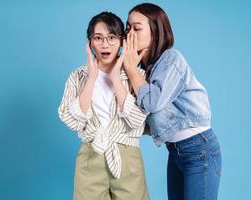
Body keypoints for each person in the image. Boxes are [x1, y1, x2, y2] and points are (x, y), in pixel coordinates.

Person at [122, 3, 222, 200]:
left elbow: (151, 102)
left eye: (137, 27)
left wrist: (131, 69)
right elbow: (138, 116)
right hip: (176, 152)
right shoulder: (143, 70)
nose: (130, 34)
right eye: (128, 27)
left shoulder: (170, 59)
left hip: (198, 150)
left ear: (155, 30)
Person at [58, 11, 150, 200]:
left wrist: (116, 77)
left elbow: (137, 120)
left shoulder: (135, 74)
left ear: (122, 41)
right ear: (90, 42)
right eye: (98, 38)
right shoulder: (78, 77)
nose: (105, 44)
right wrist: (91, 79)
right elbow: (71, 120)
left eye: (112, 37)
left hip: (127, 156)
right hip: (91, 154)